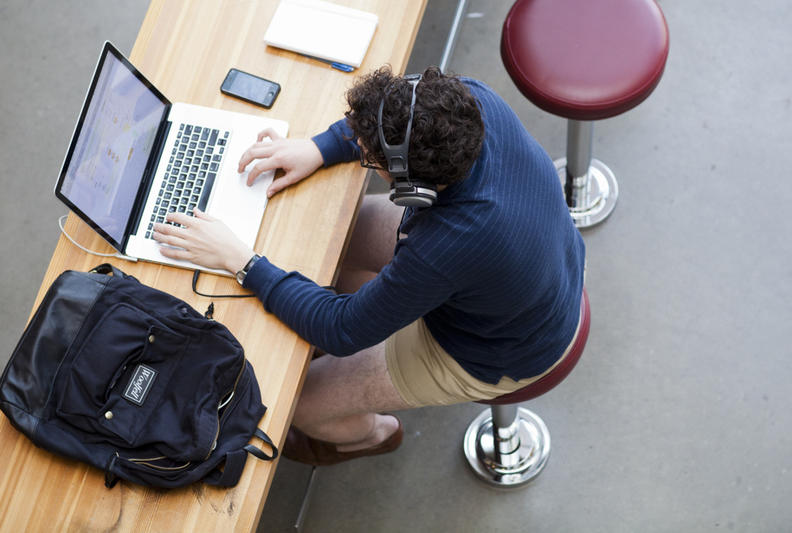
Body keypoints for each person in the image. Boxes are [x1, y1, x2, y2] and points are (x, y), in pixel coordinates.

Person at [152, 66, 586, 466]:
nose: (359, 149)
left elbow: (341, 331)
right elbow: (393, 116)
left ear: (414, 187)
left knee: (297, 402)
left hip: (503, 349)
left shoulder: (448, 243)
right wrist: (317, 148)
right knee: (339, 239)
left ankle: (372, 433)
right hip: (537, 263)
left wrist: (240, 260)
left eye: (368, 157)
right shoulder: (469, 101)